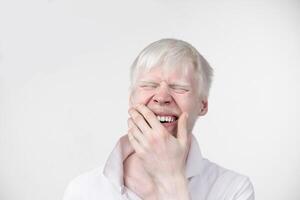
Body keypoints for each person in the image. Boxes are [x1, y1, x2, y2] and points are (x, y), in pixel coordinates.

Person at [62, 38, 255, 200]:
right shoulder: (82, 190)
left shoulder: (233, 190)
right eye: (148, 85)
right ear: (131, 100)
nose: (162, 97)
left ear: (202, 105)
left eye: (180, 87)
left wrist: (171, 178)